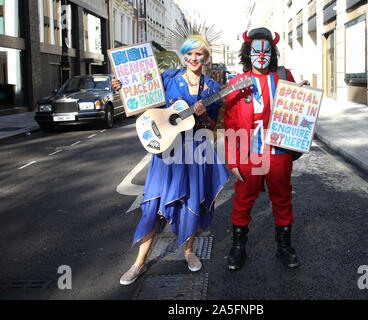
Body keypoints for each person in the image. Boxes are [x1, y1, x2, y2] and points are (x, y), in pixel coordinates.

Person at [112, 30, 229, 285]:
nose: (194, 59)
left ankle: (188, 253)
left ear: (206, 57)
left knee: (191, 202)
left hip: (195, 151)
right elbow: (144, 101)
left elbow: (213, 127)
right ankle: (138, 263)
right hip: (167, 152)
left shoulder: (213, 88)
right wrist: (124, 89)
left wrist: (203, 116)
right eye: (189, 54)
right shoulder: (169, 77)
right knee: (153, 206)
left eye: (199, 54)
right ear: (183, 56)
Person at [224, 27, 310, 271]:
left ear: (272, 53)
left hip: (279, 153)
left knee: (282, 199)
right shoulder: (236, 84)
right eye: (256, 50)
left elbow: (296, 110)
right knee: (242, 201)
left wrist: (301, 95)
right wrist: (232, 161)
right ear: (247, 53)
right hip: (248, 154)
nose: (261, 55)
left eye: (266, 50)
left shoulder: (284, 77)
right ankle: (238, 248)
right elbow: (230, 124)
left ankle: (284, 246)